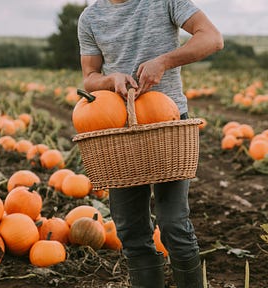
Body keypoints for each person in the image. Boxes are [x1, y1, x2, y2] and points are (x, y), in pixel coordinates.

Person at [77, 0, 223, 287]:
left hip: (166, 124)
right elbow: (90, 77)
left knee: (173, 225)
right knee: (131, 230)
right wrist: (110, 80)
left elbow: (212, 38)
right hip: (118, 131)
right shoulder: (90, 17)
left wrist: (164, 61)